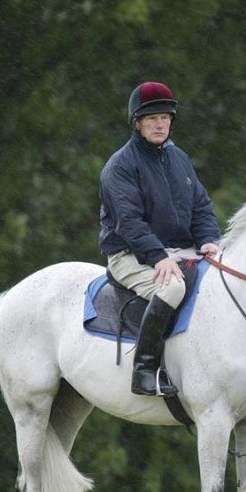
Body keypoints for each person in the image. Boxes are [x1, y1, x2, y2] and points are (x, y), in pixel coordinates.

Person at [99, 81, 221, 396]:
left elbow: (202, 208)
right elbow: (129, 222)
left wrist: (208, 239)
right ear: (137, 122)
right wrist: (159, 256)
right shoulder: (120, 166)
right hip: (131, 255)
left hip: (180, 250)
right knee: (174, 286)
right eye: (152, 118)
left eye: (165, 117)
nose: (160, 123)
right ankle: (145, 370)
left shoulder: (179, 158)